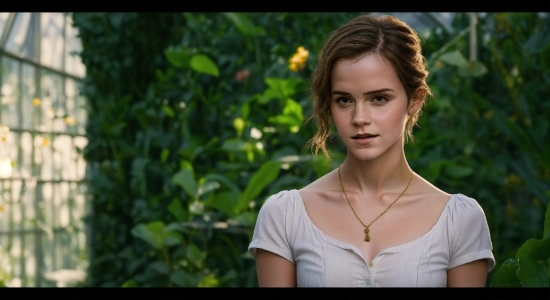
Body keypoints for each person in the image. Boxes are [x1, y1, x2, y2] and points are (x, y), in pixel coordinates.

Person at [248, 14, 495, 287]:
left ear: (414, 100)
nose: (359, 118)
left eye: (379, 98)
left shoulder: (459, 221)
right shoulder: (285, 216)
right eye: (344, 100)